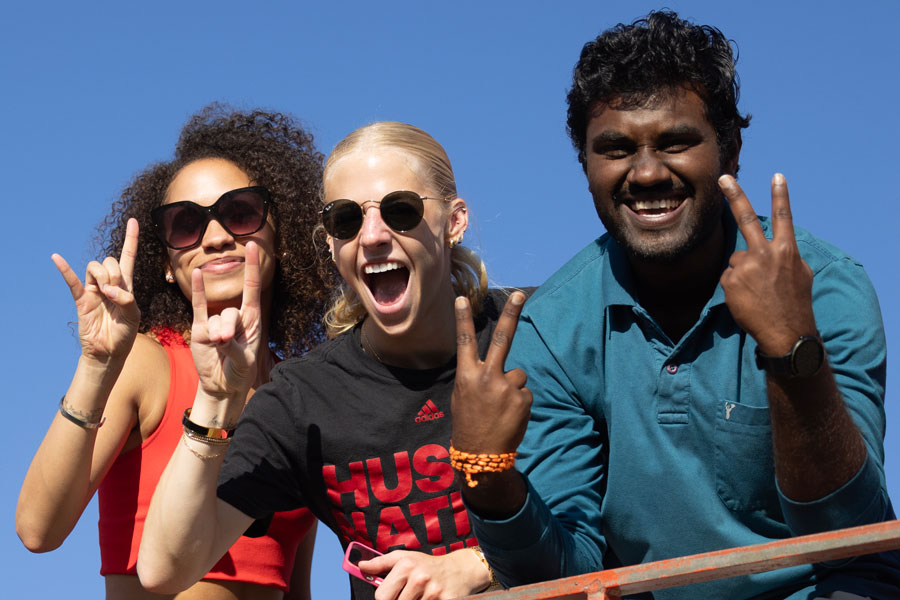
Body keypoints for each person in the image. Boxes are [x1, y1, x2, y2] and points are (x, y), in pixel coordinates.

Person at [450, 11, 900, 600]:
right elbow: (563, 579)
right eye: (614, 149)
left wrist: (794, 354)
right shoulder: (552, 329)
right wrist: (487, 477)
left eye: (676, 142)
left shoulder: (825, 287)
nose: (645, 173)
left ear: (731, 148)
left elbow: (846, 534)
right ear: (584, 166)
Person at [138, 121, 520, 599]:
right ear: (332, 244)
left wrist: (477, 564)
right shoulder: (304, 400)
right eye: (346, 220)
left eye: (401, 211)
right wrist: (214, 399)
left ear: (455, 221)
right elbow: (163, 569)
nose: (374, 236)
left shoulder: (542, 333)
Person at [16, 105, 335, 600]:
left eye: (241, 213)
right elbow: (38, 531)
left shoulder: (303, 396)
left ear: (284, 238)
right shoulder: (148, 363)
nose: (215, 237)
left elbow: (295, 587)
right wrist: (97, 366)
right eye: (186, 224)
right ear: (167, 265)